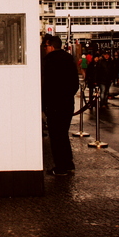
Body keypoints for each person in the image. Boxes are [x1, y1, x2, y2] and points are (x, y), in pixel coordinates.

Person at [41, 35, 80, 176]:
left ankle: (61, 167)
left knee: (56, 136)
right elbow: (75, 84)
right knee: (63, 134)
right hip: (67, 103)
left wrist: (44, 105)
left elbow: (47, 86)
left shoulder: (50, 61)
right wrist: (67, 95)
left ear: (50, 45)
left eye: (45, 46)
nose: (44, 49)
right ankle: (68, 163)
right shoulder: (69, 58)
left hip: (54, 104)